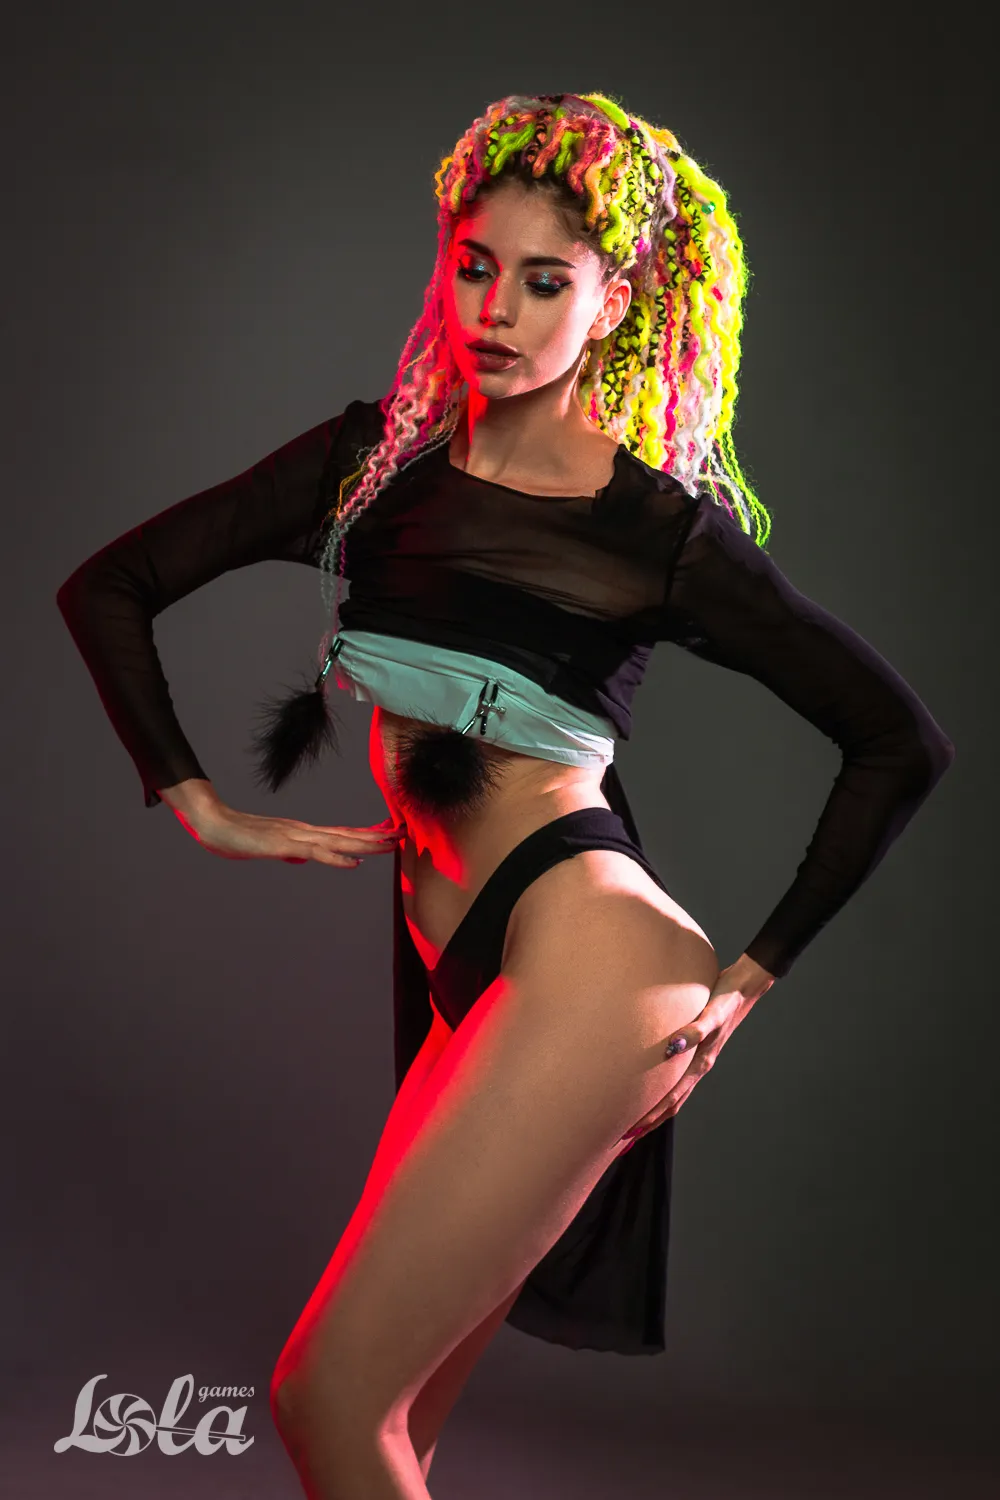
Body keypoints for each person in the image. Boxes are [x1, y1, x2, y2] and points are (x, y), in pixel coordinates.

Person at [56, 92, 955, 1499]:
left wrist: (753, 975)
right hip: (466, 972)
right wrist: (197, 801)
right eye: (476, 266)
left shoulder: (654, 532)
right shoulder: (370, 472)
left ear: (610, 308)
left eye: (546, 281)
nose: (499, 309)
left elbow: (898, 739)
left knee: (327, 1402)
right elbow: (110, 586)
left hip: (591, 962)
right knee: (396, 1429)